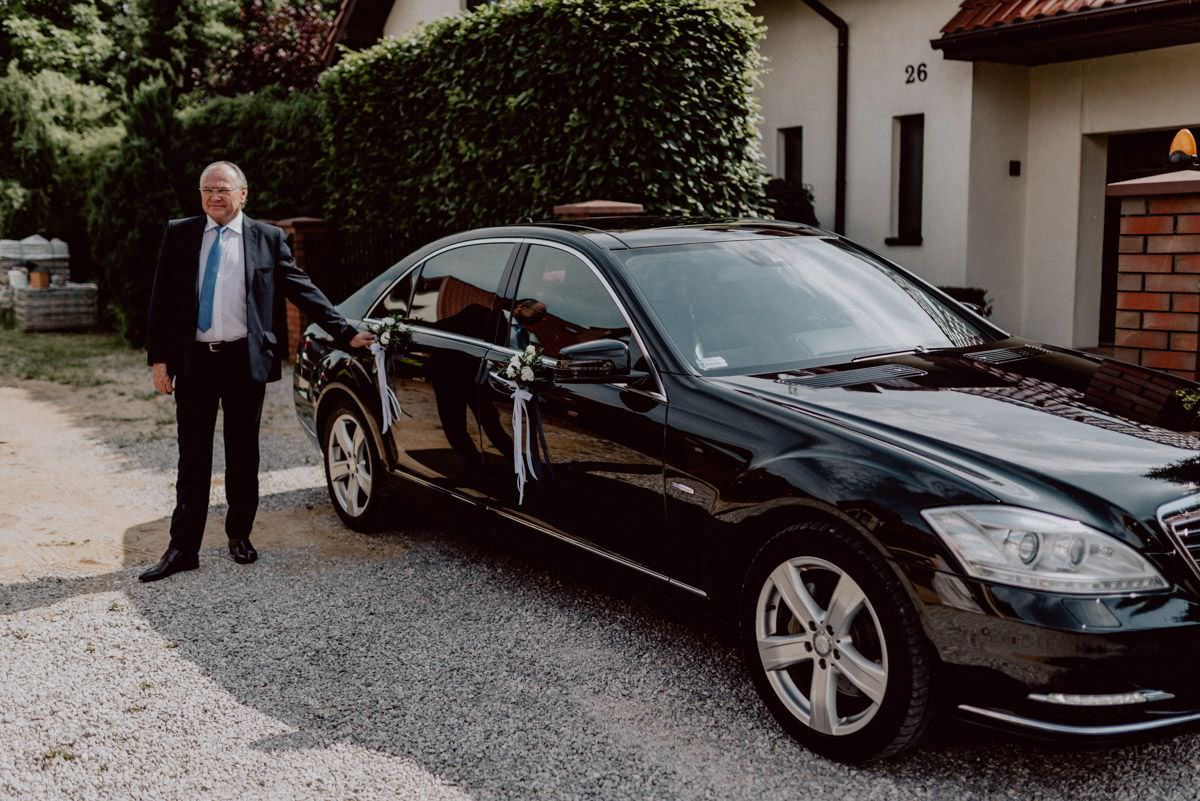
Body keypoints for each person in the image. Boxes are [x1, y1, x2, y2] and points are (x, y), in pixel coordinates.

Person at [140, 161, 374, 582]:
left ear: (243, 194)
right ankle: (182, 548)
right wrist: (160, 360)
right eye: (207, 189)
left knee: (243, 452)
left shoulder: (267, 239)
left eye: (223, 189)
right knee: (192, 456)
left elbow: (302, 288)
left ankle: (239, 536)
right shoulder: (180, 233)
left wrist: (346, 332)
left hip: (242, 361)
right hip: (194, 360)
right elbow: (162, 300)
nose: (215, 196)